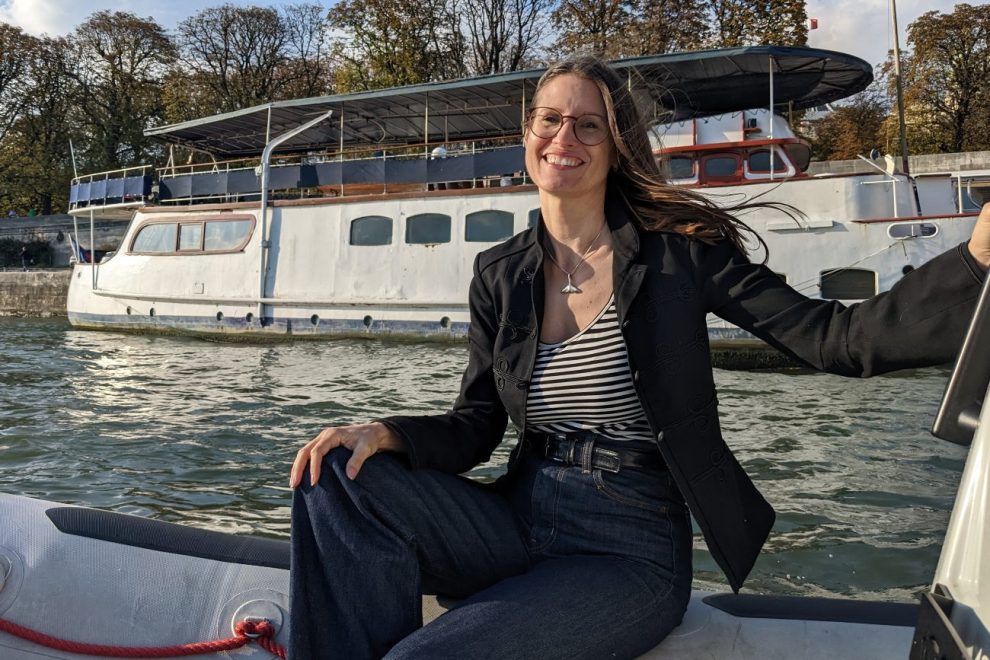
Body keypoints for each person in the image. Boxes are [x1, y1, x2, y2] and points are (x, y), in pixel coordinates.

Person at [288, 55, 990, 659]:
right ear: (526, 134)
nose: (565, 137)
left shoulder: (679, 255)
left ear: (616, 145)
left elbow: (836, 339)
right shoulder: (499, 272)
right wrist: (386, 434)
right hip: (519, 517)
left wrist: (974, 260)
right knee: (334, 479)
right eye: (549, 120)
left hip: (628, 547)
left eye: (588, 124)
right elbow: (475, 425)